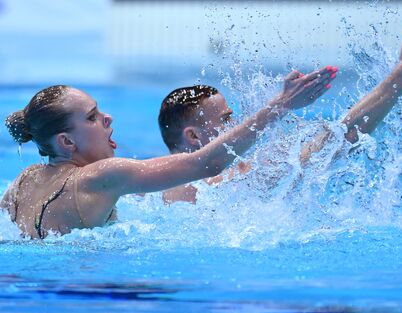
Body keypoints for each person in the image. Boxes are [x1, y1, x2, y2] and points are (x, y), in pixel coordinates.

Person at [0, 67, 336, 239]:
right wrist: (282, 104)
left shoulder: (22, 181)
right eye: (91, 117)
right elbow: (209, 162)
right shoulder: (99, 176)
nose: (107, 118)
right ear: (67, 143)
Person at [156, 18, 402, 203]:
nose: (237, 124)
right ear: (193, 136)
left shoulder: (229, 179)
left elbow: (340, 136)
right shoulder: (188, 190)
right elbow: (340, 139)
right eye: (226, 119)